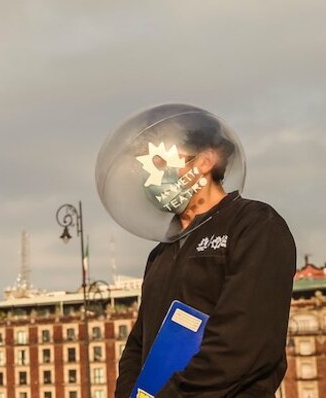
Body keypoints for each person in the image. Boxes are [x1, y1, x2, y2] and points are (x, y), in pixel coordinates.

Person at [114, 112, 296, 397]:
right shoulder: (161, 252)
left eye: (160, 163)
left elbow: (242, 341)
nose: (151, 178)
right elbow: (139, 342)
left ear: (205, 161)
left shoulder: (254, 224)